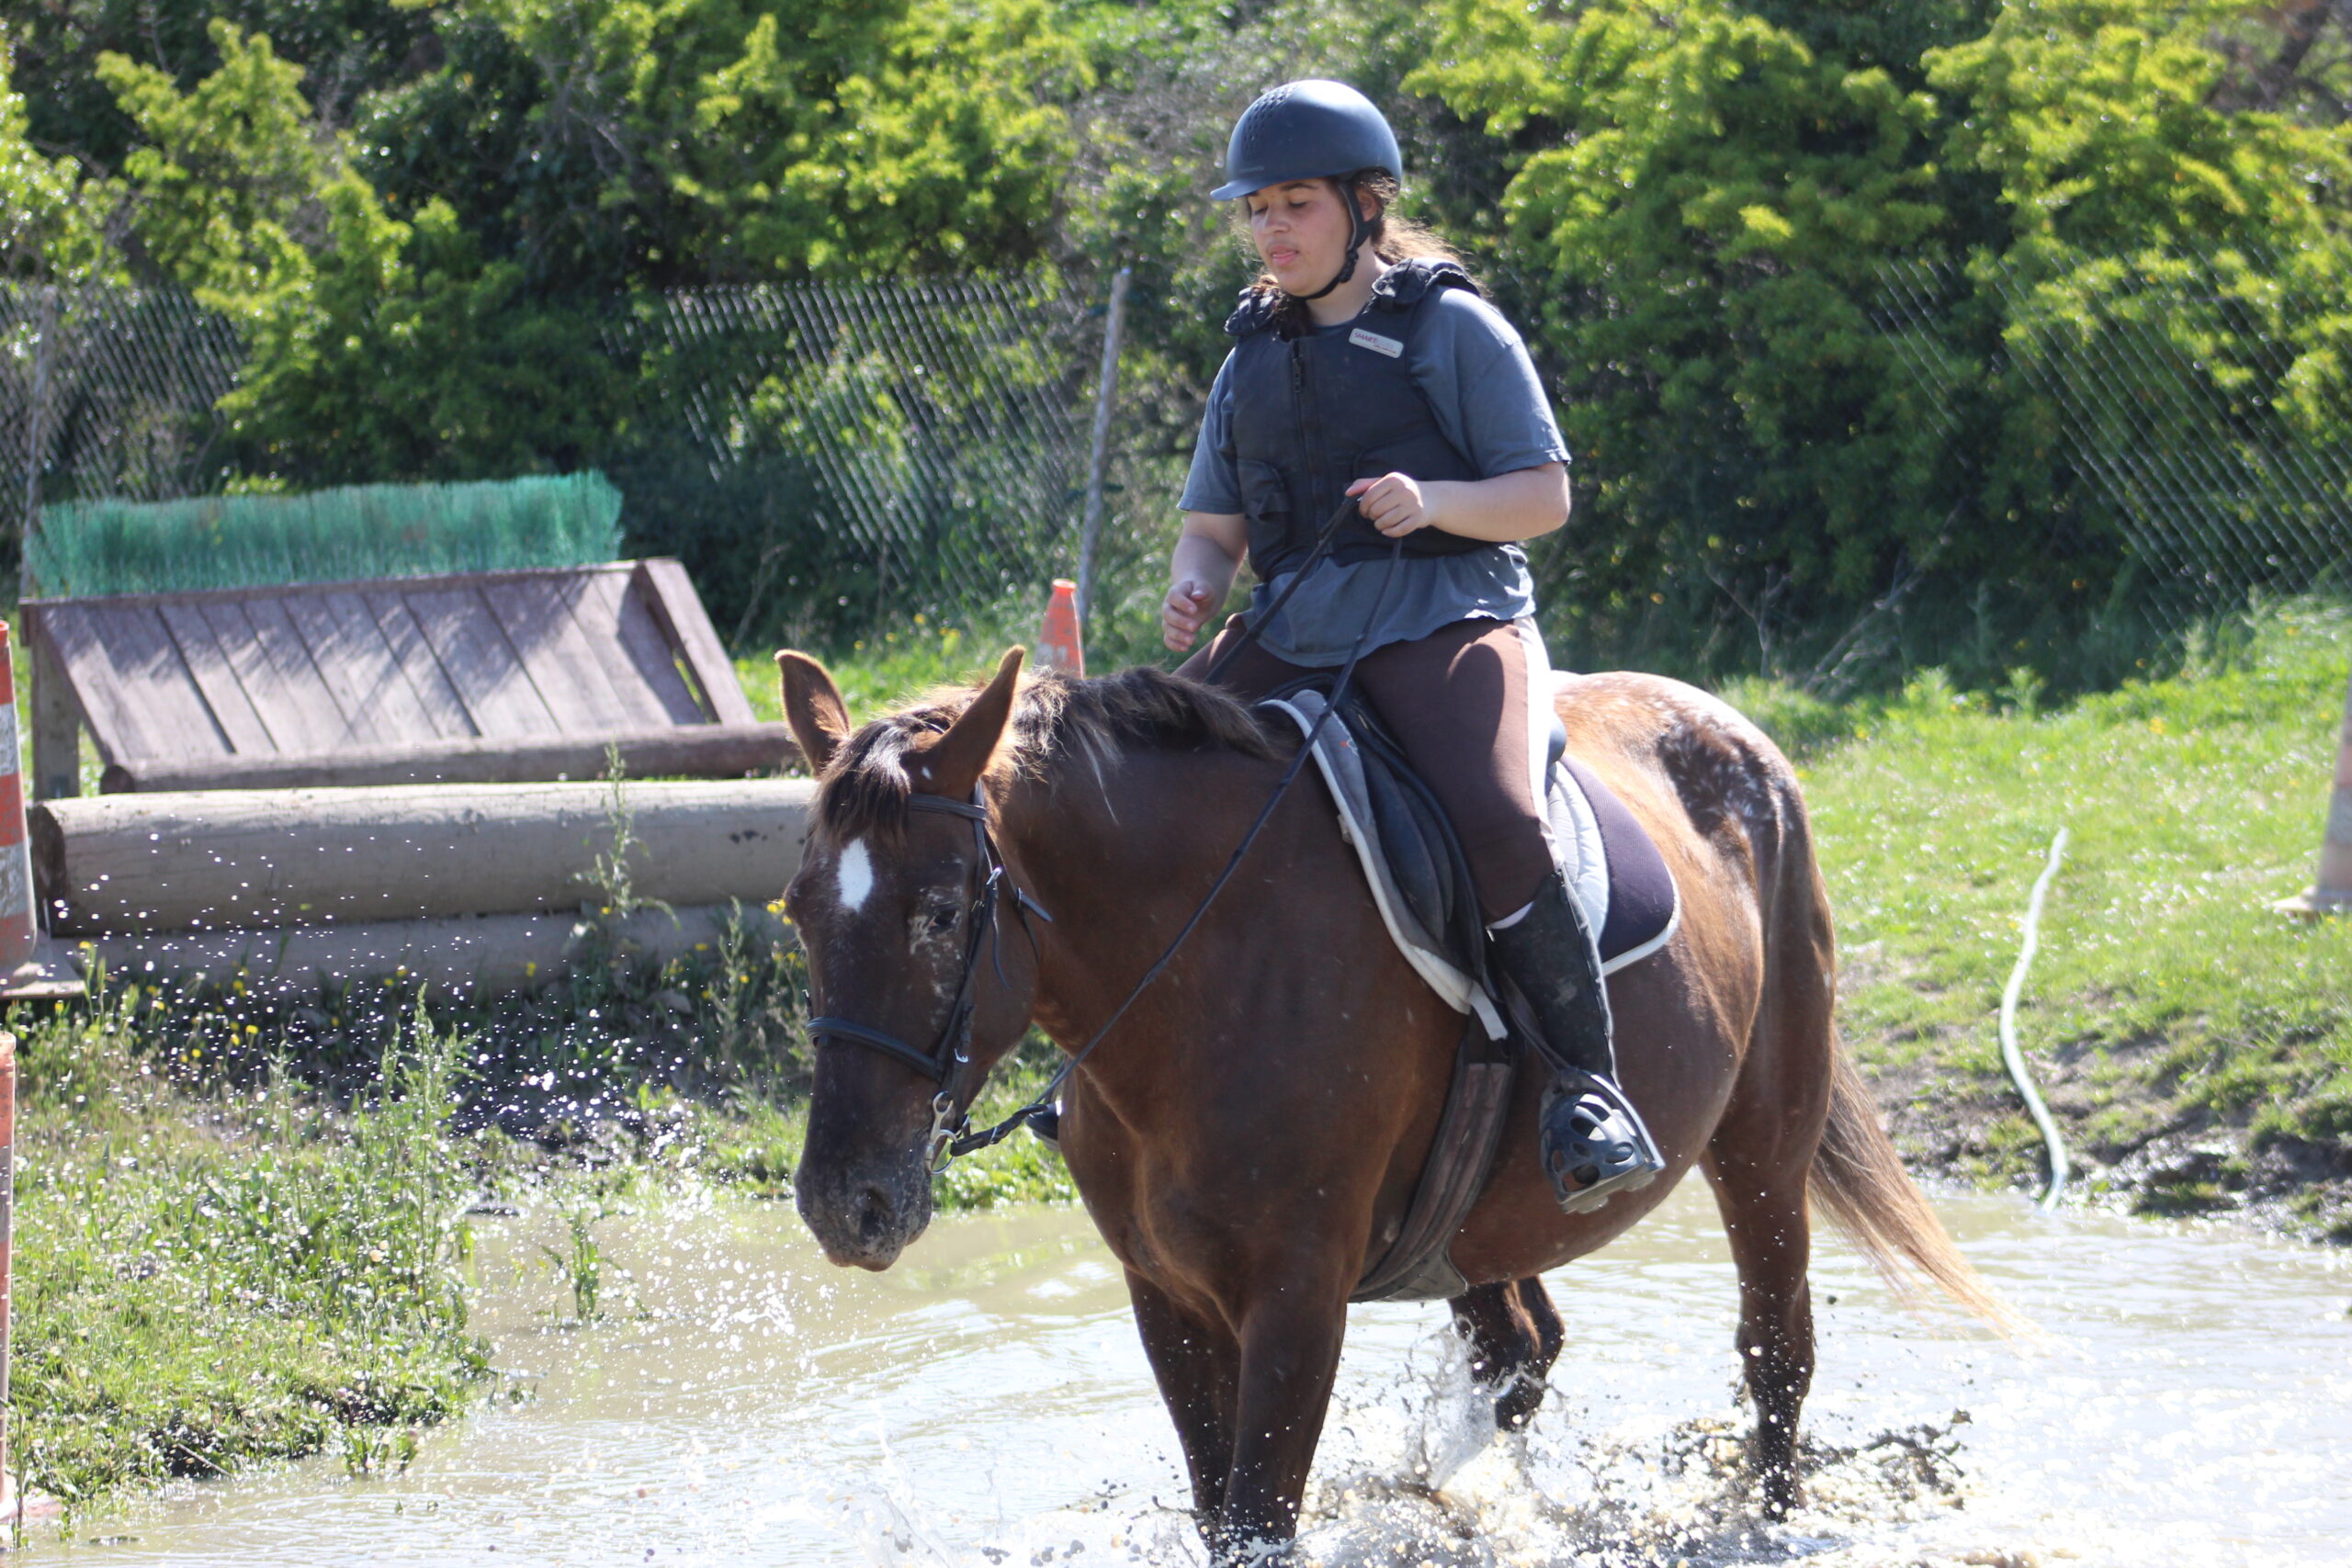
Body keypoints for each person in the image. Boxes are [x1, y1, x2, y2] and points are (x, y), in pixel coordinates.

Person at [1162, 79, 1663, 1213]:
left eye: (1295, 204)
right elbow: (1211, 532)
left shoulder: (1451, 328)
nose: (1272, 230)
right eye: (1256, 210)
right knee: (1145, 780)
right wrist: (1195, 595)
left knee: (1497, 816)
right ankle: (1106, 1070)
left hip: (1448, 615)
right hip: (1292, 631)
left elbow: (1543, 496)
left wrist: (1431, 499)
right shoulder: (1248, 362)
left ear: (1364, 204)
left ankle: (1588, 1092)